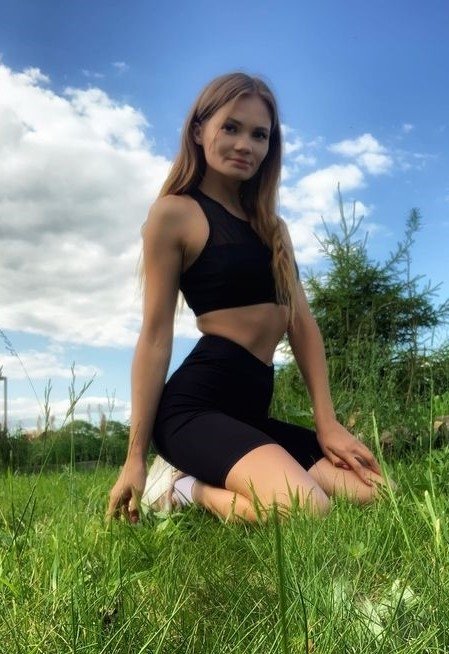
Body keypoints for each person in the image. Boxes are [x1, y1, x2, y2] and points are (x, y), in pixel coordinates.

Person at [107, 72, 392, 524]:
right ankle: (184, 487)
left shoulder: (273, 228)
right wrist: (134, 457)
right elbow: (156, 337)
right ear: (198, 131)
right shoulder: (175, 214)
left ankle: (241, 474)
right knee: (307, 508)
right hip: (194, 411)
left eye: (260, 135)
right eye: (231, 127)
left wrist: (328, 423)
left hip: (249, 413)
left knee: (376, 492)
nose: (246, 145)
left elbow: (301, 325)